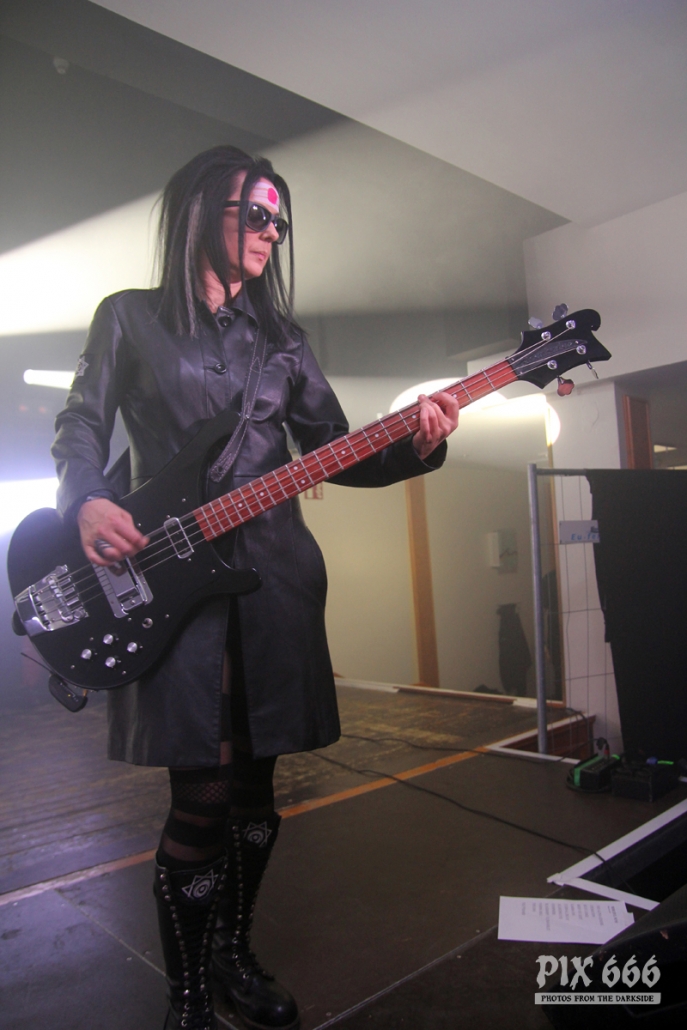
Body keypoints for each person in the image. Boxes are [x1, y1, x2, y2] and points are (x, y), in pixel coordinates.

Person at [52, 145, 459, 1030]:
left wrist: (419, 441)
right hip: (166, 580)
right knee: (198, 796)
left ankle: (233, 954)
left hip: (271, 581)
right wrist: (86, 501)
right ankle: (186, 997)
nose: (273, 233)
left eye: (281, 220)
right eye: (258, 214)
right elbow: (80, 422)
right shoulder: (128, 318)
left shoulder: (283, 343)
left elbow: (337, 451)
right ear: (205, 211)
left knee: (254, 797)